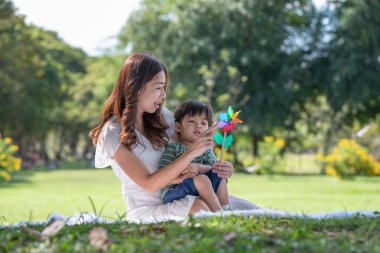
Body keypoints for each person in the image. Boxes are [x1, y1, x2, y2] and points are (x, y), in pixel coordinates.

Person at [90, 53, 258, 222]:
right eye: (158, 87)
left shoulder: (162, 116)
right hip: (150, 209)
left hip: (188, 193)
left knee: (253, 212)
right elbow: (149, 184)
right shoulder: (112, 133)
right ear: (136, 87)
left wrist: (219, 169)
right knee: (204, 210)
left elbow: (193, 151)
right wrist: (191, 153)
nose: (163, 95)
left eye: (164, 88)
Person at [158, 100, 229, 212]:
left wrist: (198, 167)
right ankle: (219, 212)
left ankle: (226, 207)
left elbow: (213, 169)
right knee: (202, 179)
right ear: (178, 127)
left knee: (219, 172)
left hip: (200, 188)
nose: (198, 126)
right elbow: (162, 176)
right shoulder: (174, 148)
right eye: (192, 121)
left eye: (203, 123)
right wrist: (181, 178)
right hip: (174, 189)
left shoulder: (206, 151)